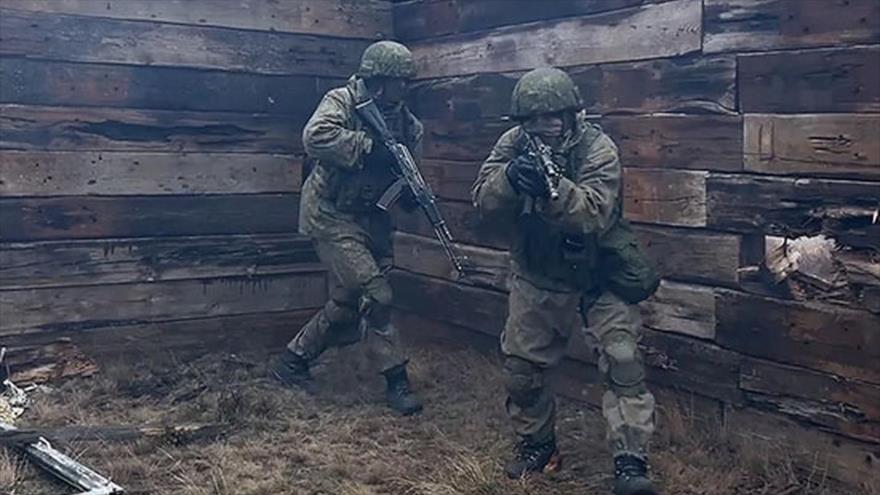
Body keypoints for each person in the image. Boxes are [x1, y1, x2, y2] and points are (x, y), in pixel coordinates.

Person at [471, 67, 661, 494]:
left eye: (553, 117)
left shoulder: (598, 148)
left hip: (599, 273)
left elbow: (593, 211)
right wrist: (509, 181)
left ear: (572, 115)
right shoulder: (513, 145)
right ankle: (538, 446)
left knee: (623, 363)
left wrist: (553, 189)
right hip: (539, 272)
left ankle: (631, 461)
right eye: (533, 120)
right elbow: (482, 199)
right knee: (522, 371)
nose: (544, 127)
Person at [270, 41, 423, 416]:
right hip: (330, 214)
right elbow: (316, 137)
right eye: (400, 82)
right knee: (377, 293)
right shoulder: (342, 101)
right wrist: (370, 148)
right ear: (379, 81)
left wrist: (410, 193)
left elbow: (404, 171)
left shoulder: (407, 123)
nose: (406, 89)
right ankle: (396, 379)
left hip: (372, 217)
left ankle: (292, 361)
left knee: (346, 304)